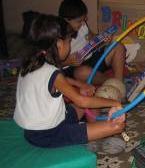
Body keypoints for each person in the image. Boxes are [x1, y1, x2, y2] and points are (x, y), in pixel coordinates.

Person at [13, 14, 126, 148]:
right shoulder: (52, 72)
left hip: (34, 131)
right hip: (50, 134)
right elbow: (81, 100)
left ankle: (91, 130)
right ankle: (93, 133)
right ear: (59, 44)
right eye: (69, 41)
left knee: (88, 96)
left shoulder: (32, 63)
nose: (70, 44)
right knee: (118, 126)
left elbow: (61, 80)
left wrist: (81, 84)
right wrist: (116, 103)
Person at [58, 0, 126, 85]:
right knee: (83, 72)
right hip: (73, 68)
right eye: (79, 21)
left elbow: (91, 37)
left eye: (84, 19)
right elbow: (51, 63)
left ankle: (119, 82)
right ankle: (113, 83)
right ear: (66, 20)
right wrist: (68, 61)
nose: (83, 23)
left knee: (118, 46)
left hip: (91, 58)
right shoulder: (57, 35)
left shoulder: (82, 25)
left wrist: (103, 39)